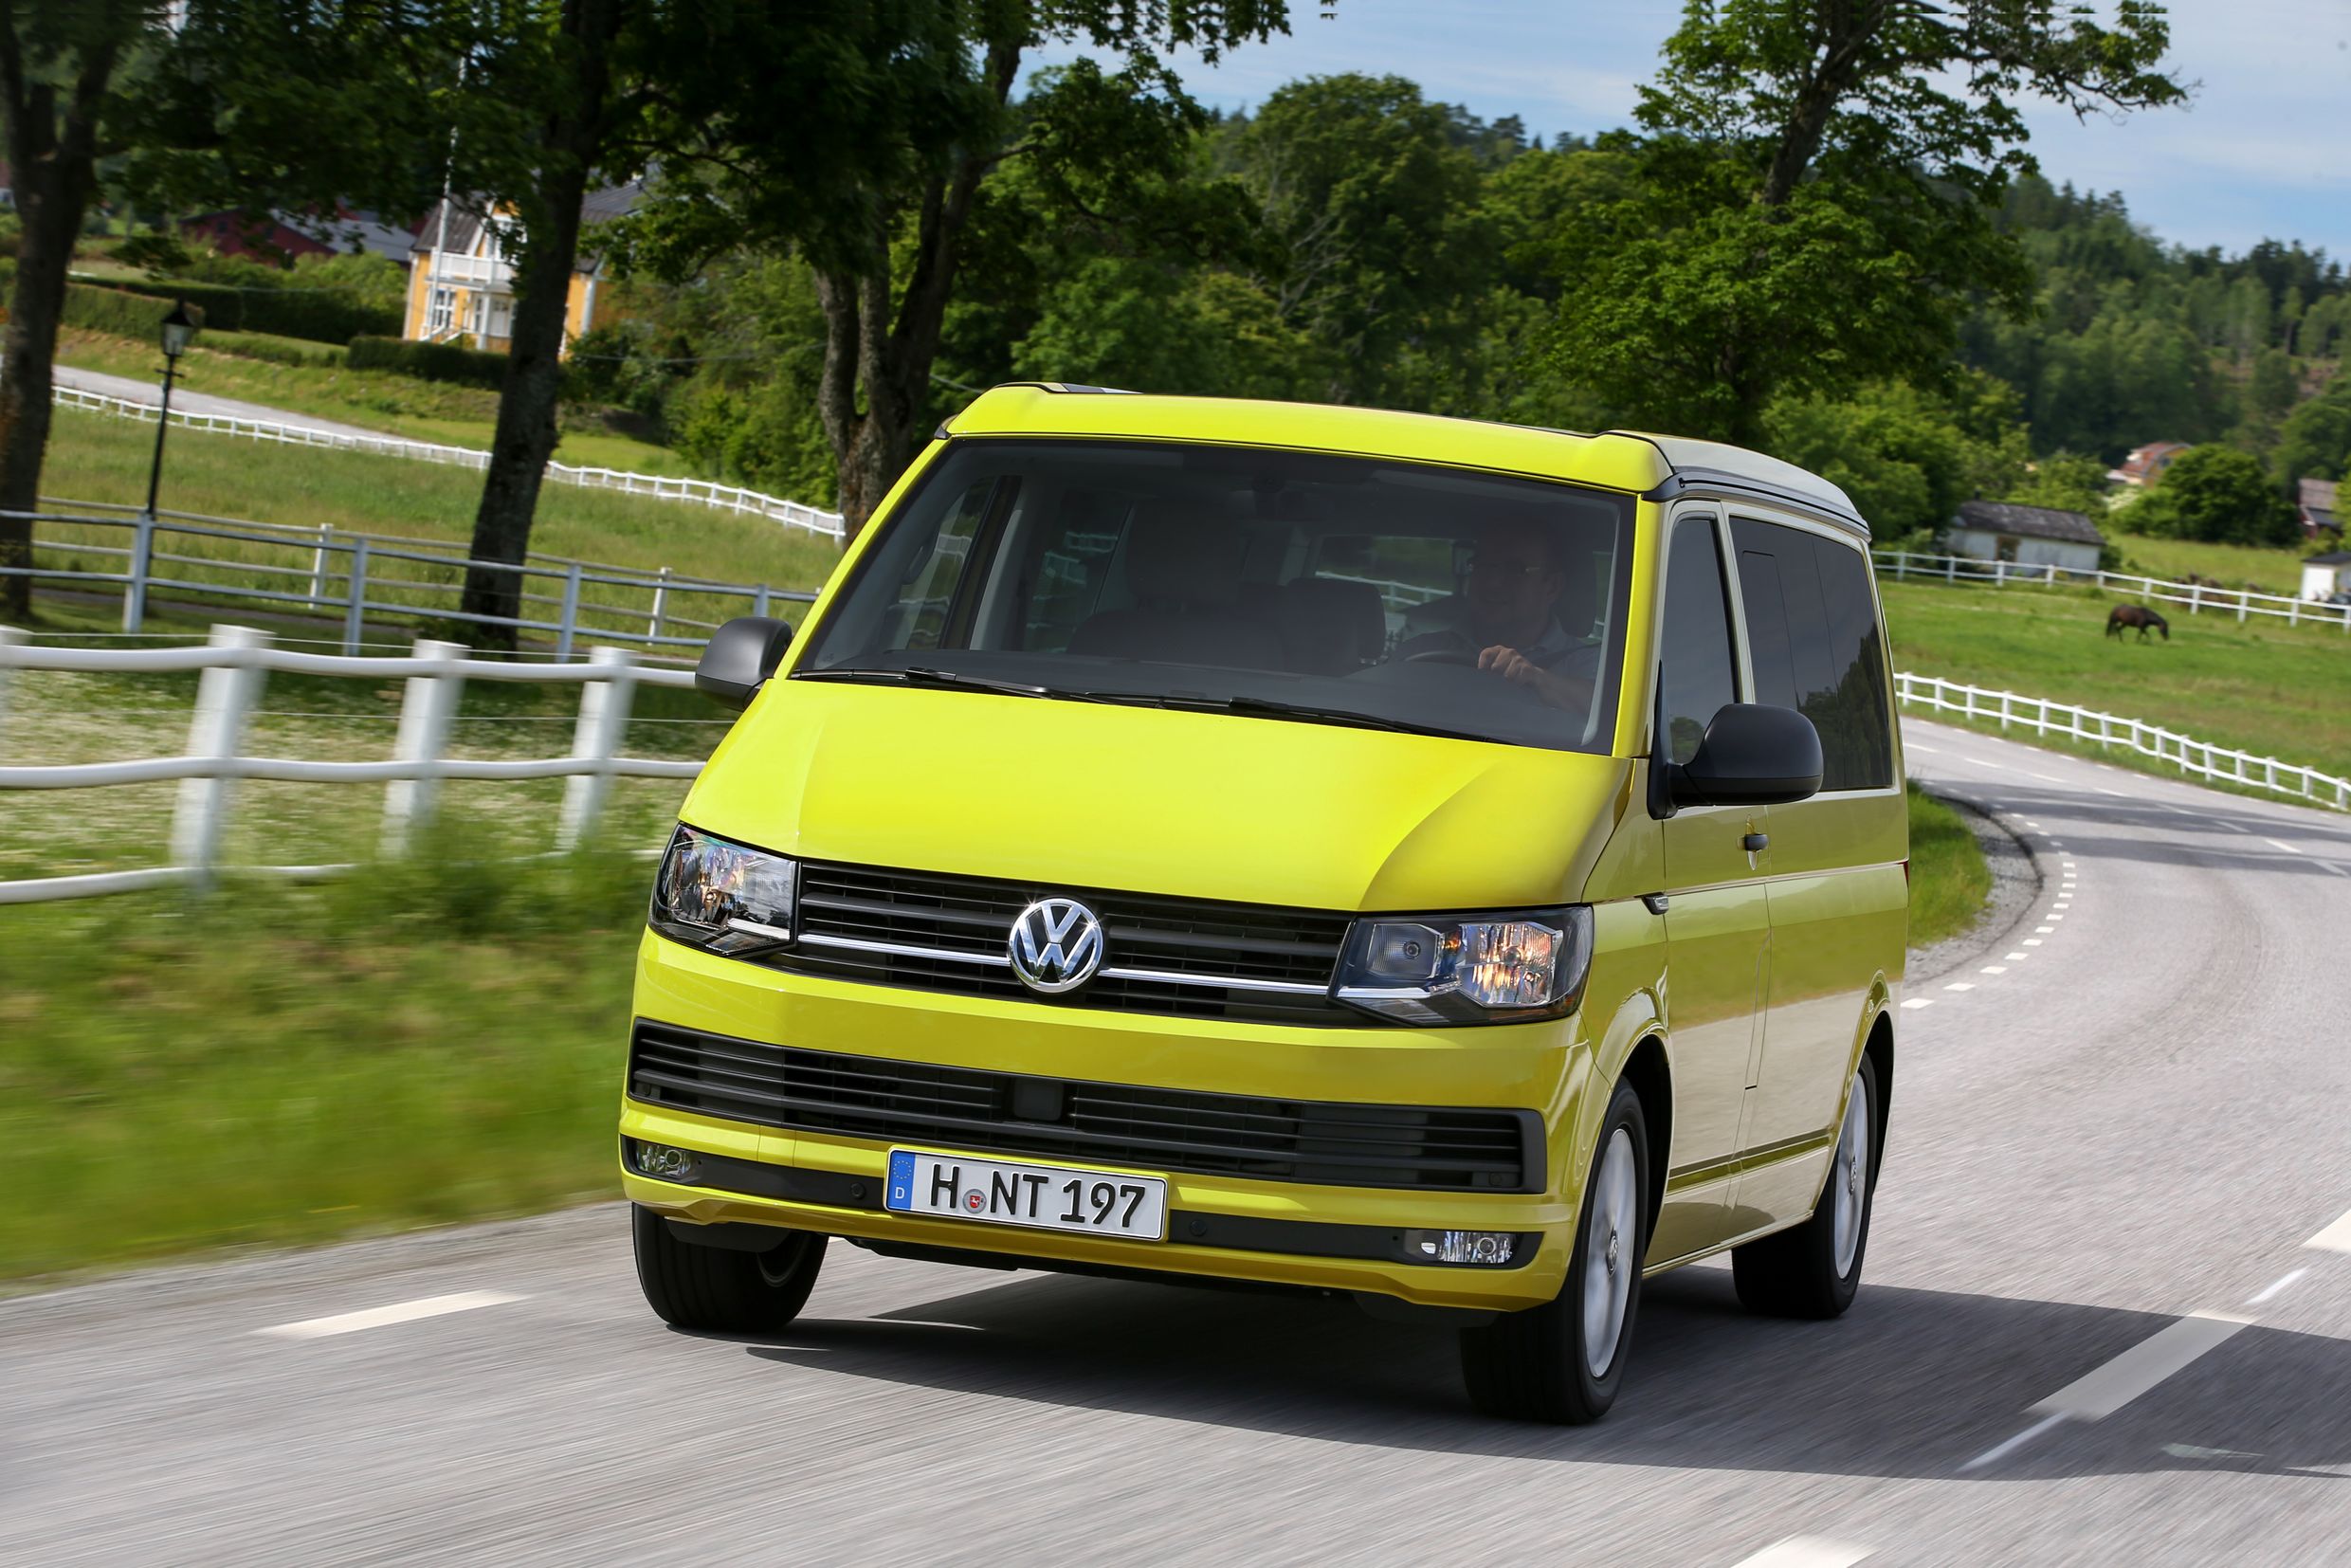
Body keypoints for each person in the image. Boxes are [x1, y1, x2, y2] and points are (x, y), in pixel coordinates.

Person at [1393, 518, 1597, 710]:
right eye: (1483, 565)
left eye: (1515, 570)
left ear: (1552, 586)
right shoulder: (1419, 653)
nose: (1493, 582)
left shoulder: (1590, 665)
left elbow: (1605, 708)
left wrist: (1537, 678)